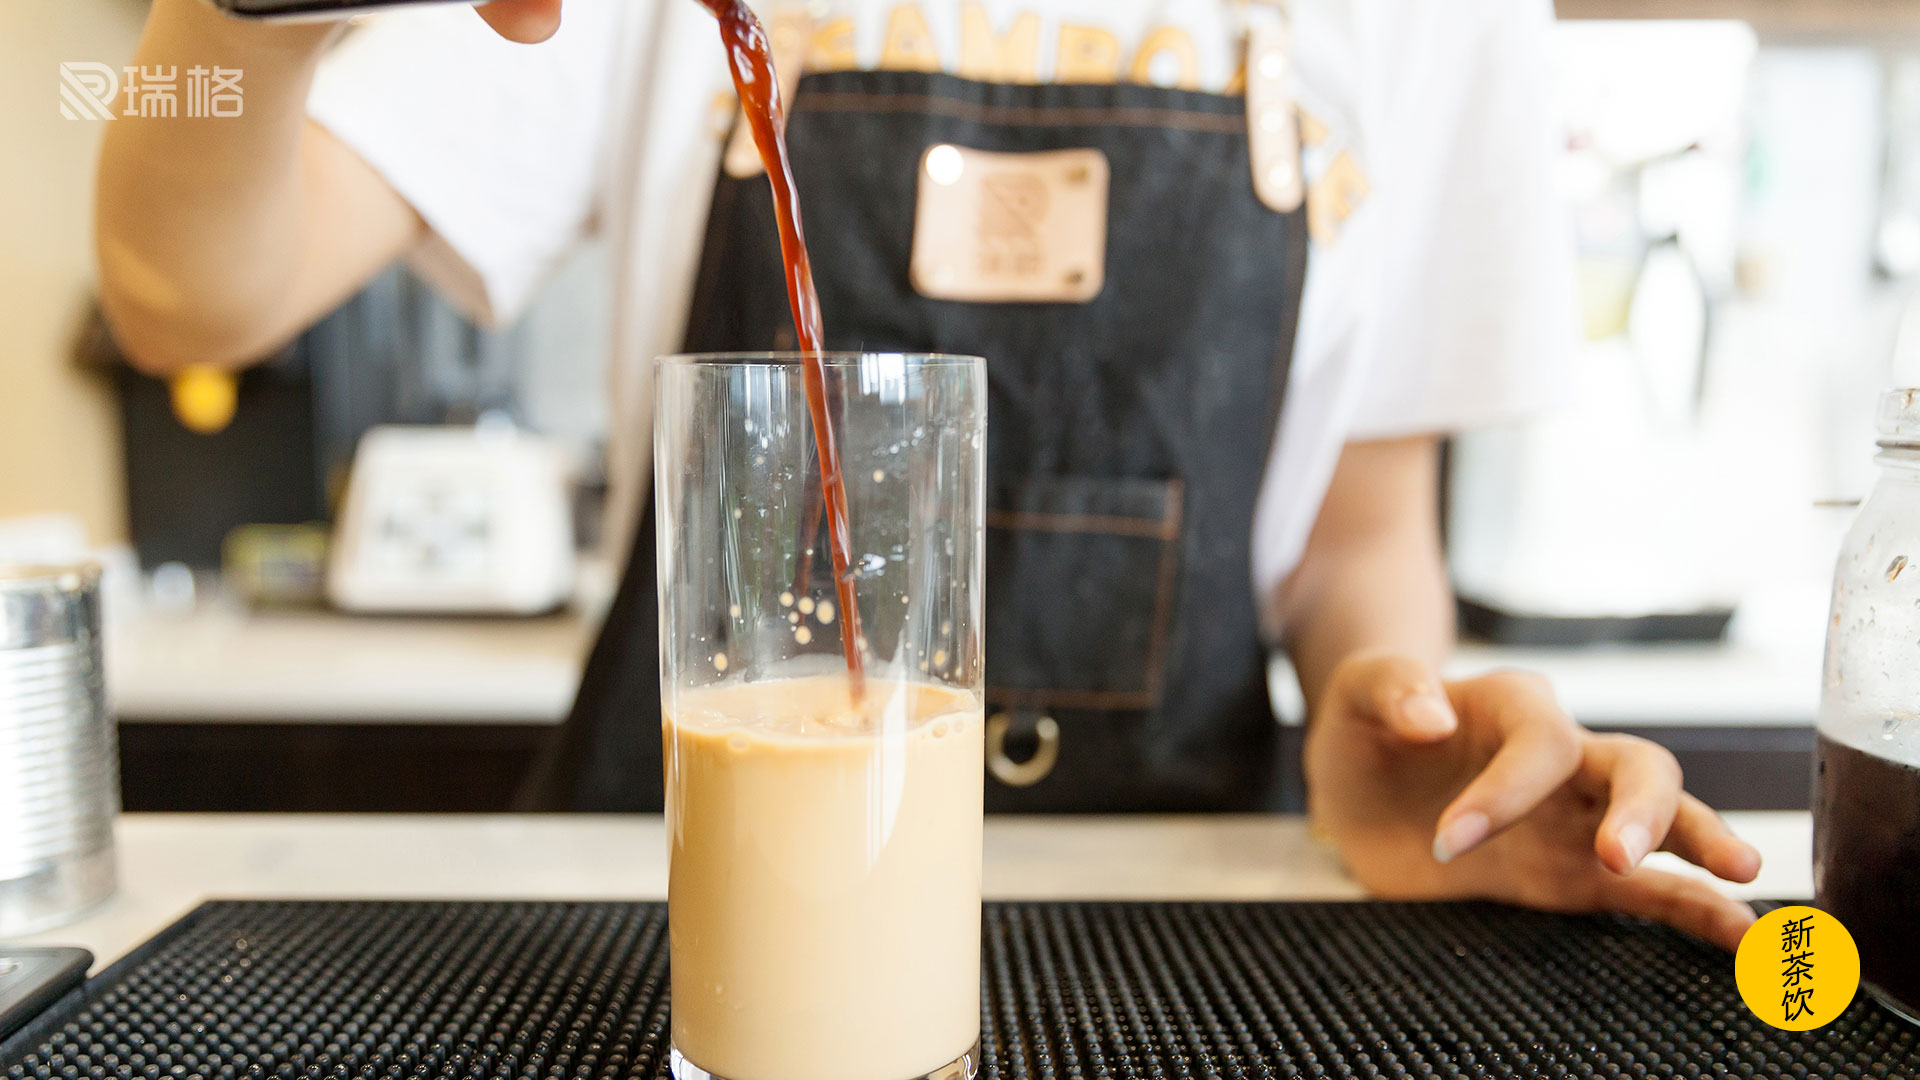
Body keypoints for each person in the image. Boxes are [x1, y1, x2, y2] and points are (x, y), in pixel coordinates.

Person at [97, 0, 1764, 949]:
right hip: (669, 925)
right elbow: (185, 297)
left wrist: (1394, 729)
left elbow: (1358, 536)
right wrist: (236, 18)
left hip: (1179, 927)